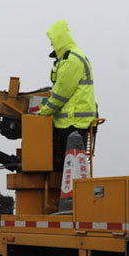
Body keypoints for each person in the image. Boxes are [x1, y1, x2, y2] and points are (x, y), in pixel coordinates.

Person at [37, 19, 98, 169]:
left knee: (71, 169)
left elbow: (60, 94)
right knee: (68, 169)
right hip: (73, 124)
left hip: (73, 124)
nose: (51, 45)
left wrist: (42, 113)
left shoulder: (71, 60)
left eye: (52, 41)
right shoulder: (70, 58)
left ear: (59, 39)